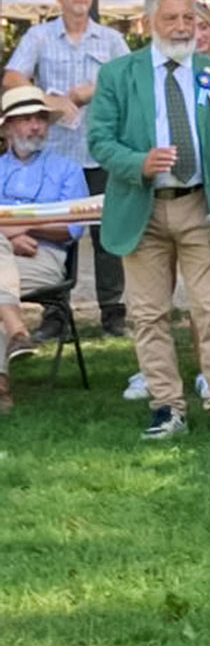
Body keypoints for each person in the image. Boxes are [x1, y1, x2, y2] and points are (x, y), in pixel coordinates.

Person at [88, 0, 210, 441]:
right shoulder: (118, 75)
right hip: (140, 208)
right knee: (147, 314)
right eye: (172, 19)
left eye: (190, 19)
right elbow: (99, 140)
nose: (182, 28)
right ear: (148, 24)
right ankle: (166, 407)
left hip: (201, 206)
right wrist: (136, 163)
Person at [3, 0, 129, 340]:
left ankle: (113, 313)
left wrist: (91, 89)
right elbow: (12, 77)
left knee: (110, 235)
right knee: (55, 227)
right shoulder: (40, 36)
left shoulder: (109, 39)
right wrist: (49, 99)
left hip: (102, 150)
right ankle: (56, 315)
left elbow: (128, 77)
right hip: (55, 151)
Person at [0, 86, 90, 412]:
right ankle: (17, 331)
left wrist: (18, 228)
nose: (35, 126)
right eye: (26, 119)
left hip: (44, 254)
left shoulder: (67, 169)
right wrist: (9, 238)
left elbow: (71, 228)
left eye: (40, 118)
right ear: (8, 127)